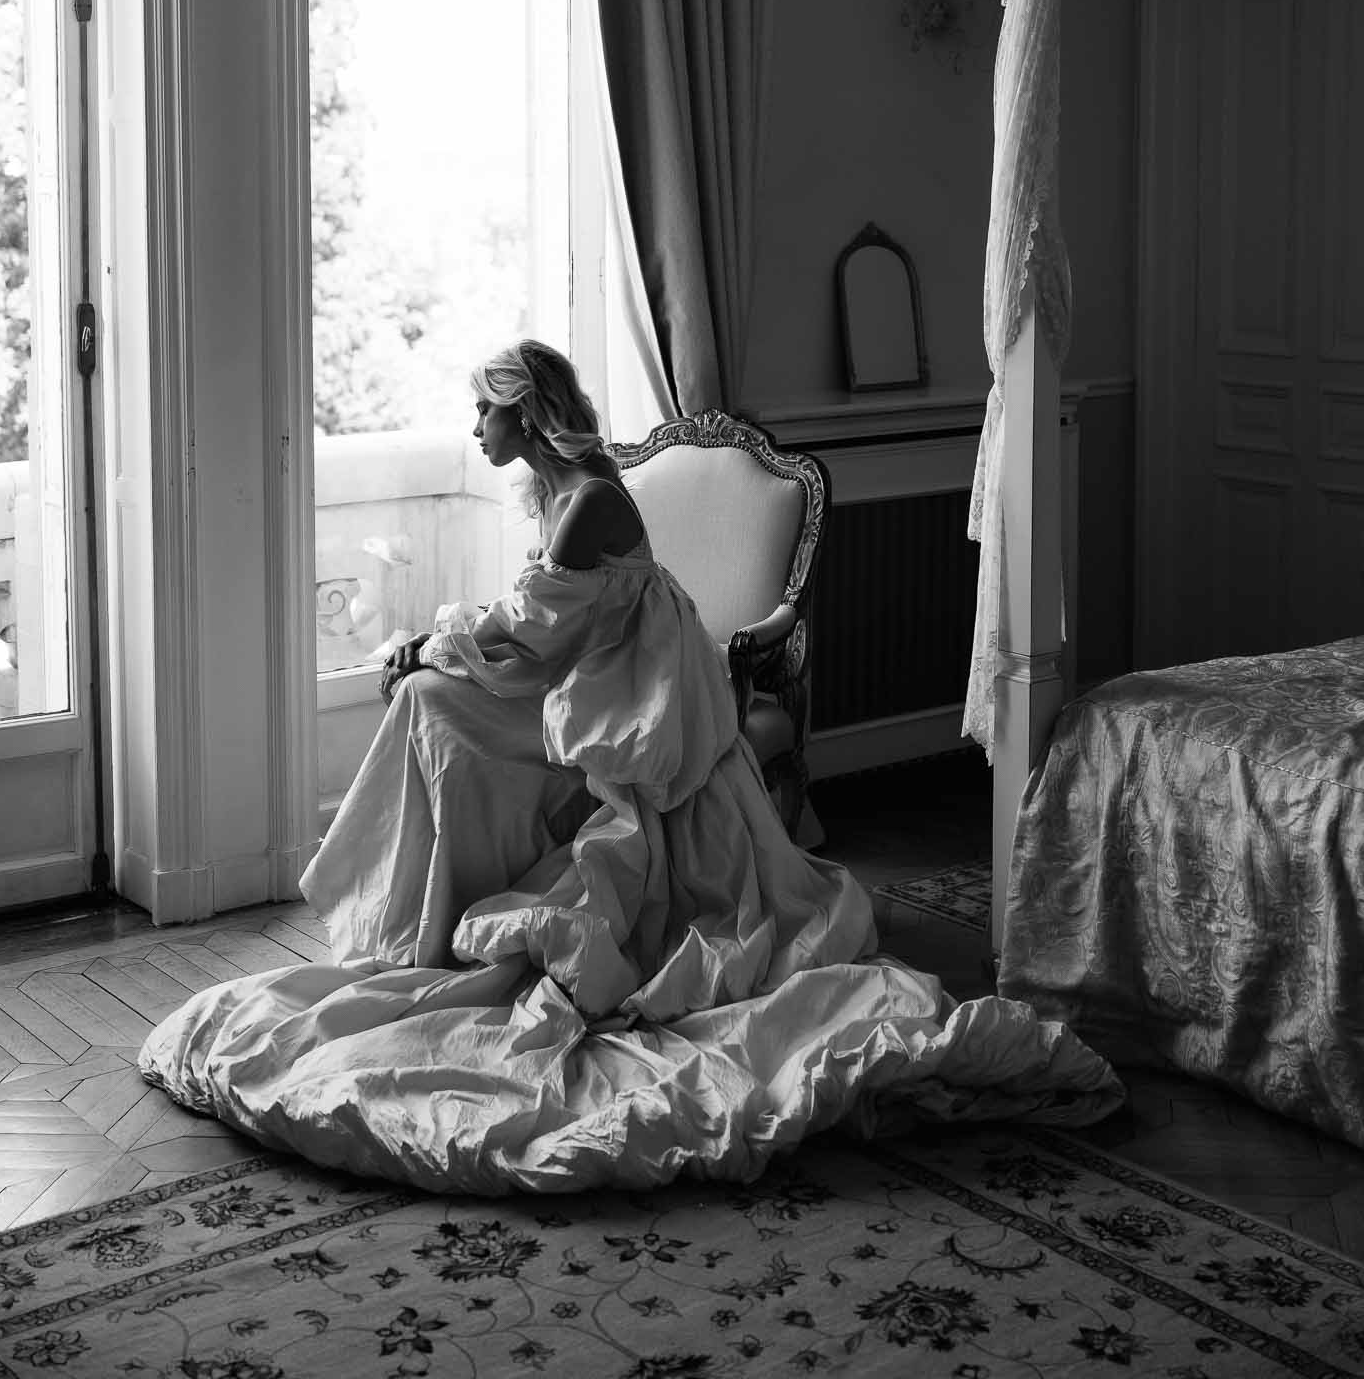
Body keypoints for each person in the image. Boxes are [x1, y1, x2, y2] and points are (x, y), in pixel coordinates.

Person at [139, 339, 1122, 1195]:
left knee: (432, 701)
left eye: (483, 408)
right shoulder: (563, 490)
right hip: (587, 674)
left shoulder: (586, 504)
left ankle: (443, 906)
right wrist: (438, 650)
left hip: (635, 696)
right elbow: (536, 628)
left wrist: (428, 643)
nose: (473, 426)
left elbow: (525, 631)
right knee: (429, 704)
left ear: (525, 412)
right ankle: (437, 909)